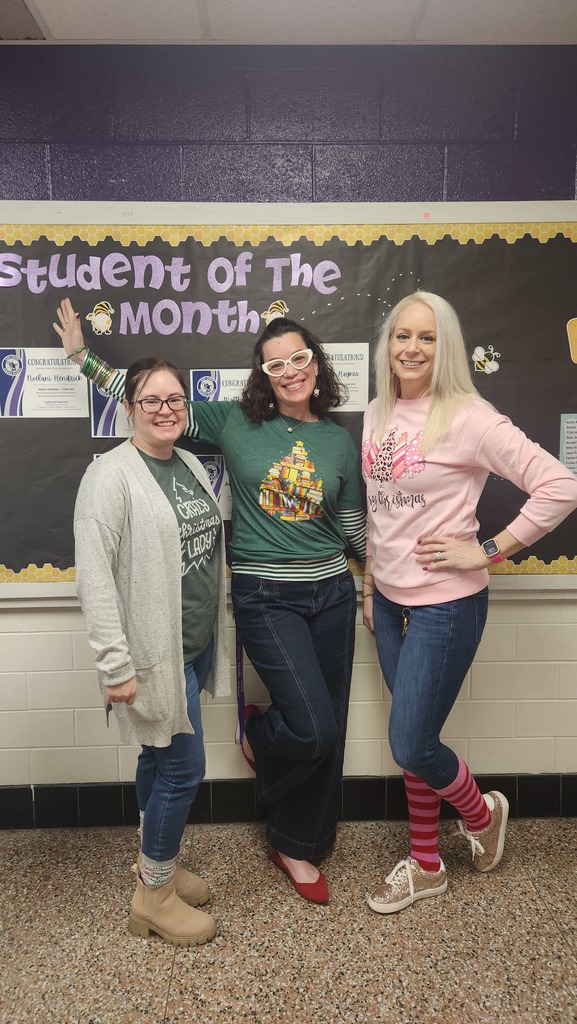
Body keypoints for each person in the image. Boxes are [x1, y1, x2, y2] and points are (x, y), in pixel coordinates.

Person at [56, 297, 365, 905]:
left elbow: (351, 524)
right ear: (263, 375)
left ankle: (300, 841)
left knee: (334, 726)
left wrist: (375, 581)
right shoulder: (232, 422)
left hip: (333, 589)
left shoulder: (337, 438)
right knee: (312, 725)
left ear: (316, 364)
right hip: (266, 592)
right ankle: (259, 736)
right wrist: (81, 359)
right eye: (275, 364)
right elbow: (152, 400)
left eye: (299, 358)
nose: (290, 371)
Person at [361, 290, 577, 915]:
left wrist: (487, 549)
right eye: (403, 335)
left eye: (427, 338)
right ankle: (427, 865)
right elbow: (381, 514)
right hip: (392, 607)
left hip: (446, 607)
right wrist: (372, 588)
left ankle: (482, 815)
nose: (412, 348)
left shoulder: (468, 416)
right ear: (388, 344)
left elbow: (560, 484)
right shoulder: (376, 411)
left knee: (410, 743)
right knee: (418, 735)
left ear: (445, 346)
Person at [55, 306, 230, 944]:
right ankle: (152, 895)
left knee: (160, 761)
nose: (165, 409)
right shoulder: (110, 476)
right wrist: (116, 666)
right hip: (154, 656)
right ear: (128, 407)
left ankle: (157, 858)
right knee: (183, 770)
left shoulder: (185, 464)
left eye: (175, 399)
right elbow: (94, 577)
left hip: (194, 645)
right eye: (151, 400)